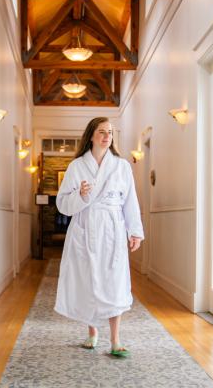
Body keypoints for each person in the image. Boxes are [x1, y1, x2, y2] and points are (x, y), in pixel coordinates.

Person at [54, 117, 144, 356]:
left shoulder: (122, 165)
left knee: (114, 280)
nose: (107, 136)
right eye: (102, 132)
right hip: (85, 227)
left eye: (110, 132)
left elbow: (130, 201)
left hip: (113, 229)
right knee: (88, 278)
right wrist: (81, 196)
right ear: (91, 136)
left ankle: (115, 339)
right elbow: (62, 203)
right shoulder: (76, 166)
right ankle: (93, 333)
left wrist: (134, 231)